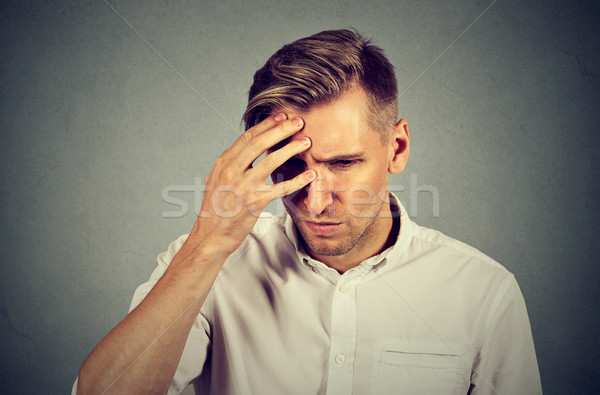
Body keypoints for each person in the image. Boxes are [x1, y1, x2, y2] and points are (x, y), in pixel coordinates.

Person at [73, 29, 542, 394]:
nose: (314, 202)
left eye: (342, 163)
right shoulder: (210, 266)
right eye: (291, 168)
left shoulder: (483, 293)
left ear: (396, 148)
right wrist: (206, 245)